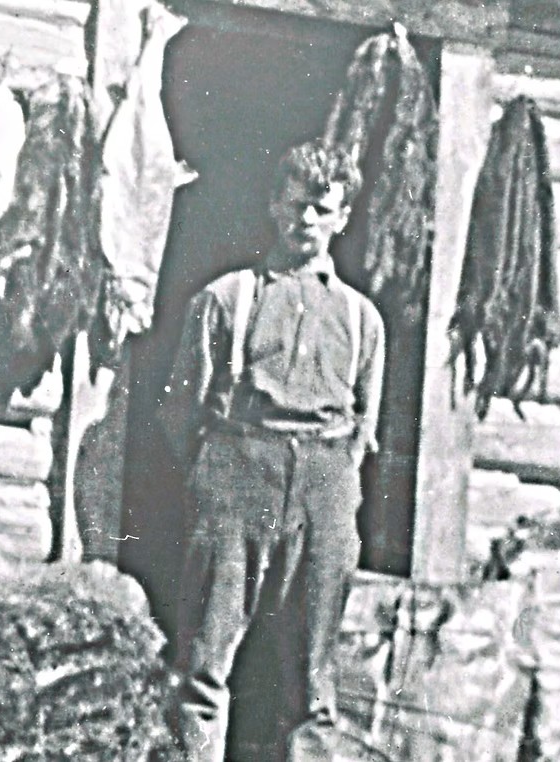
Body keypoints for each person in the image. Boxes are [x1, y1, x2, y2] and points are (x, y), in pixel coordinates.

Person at [159, 139, 385, 761]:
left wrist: (329, 480)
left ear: (342, 217)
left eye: (320, 207)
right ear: (273, 207)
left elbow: (366, 423)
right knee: (205, 660)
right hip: (239, 474)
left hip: (324, 484)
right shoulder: (226, 298)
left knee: (312, 676)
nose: (305, 219)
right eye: (295, 205)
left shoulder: (363, 319)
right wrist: (220, 478)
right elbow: (181, 414)